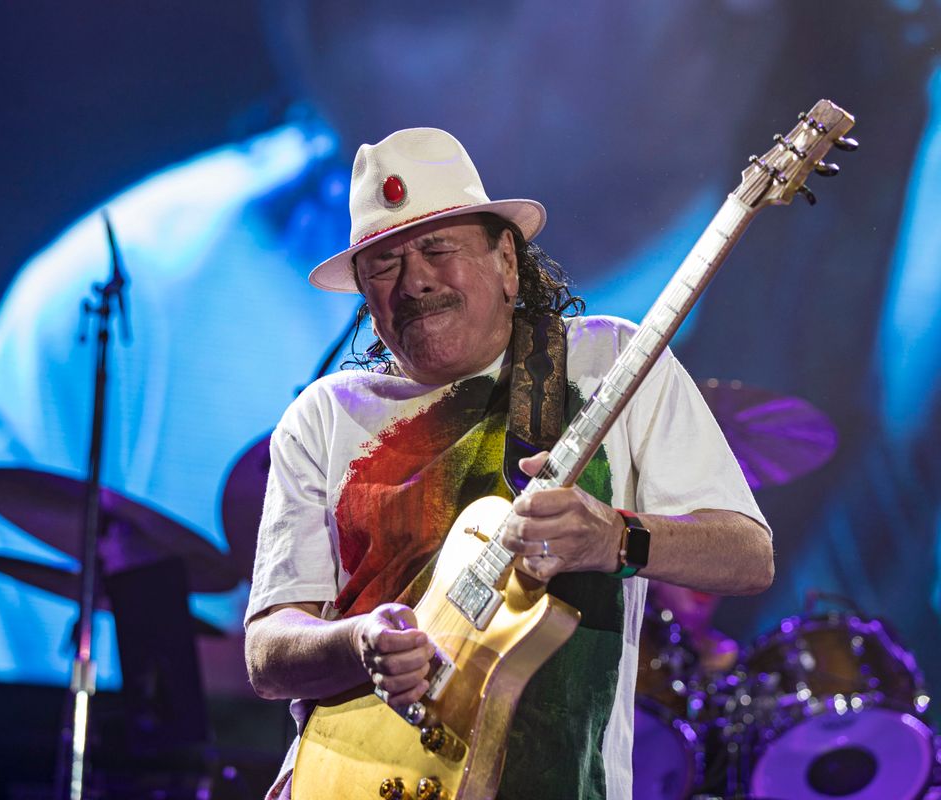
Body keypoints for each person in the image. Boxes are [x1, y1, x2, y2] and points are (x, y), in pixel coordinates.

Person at [243, 128, 772, 799]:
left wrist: (617, 539)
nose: (414, 282)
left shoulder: (608, 363)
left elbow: (748, 557)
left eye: (438, 248)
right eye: (383, 265)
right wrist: (358, 643)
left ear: (507, 262)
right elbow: (269, 651)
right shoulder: (324, 414)